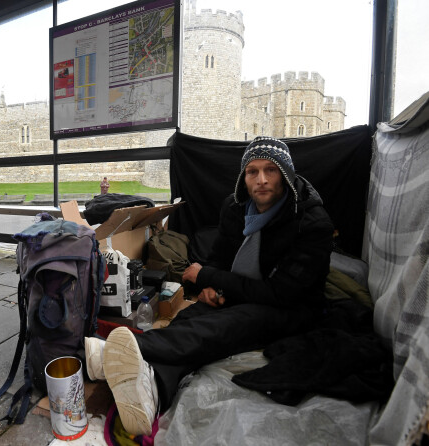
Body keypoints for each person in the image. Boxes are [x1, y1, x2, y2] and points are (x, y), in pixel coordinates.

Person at [85, 137, 334, 435]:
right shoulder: (236, 207)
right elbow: (218, 261)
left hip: (292, 307)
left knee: (230, 324)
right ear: (244, 177)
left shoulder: (311, 221)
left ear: (287, 174)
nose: (262, 180)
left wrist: (208, 278)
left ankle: (121, 351)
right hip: (241, 291)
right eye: (252, 171)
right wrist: (210, 288)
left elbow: (282, 293)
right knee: (193, 318)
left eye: (271, 170)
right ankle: (153, 385)